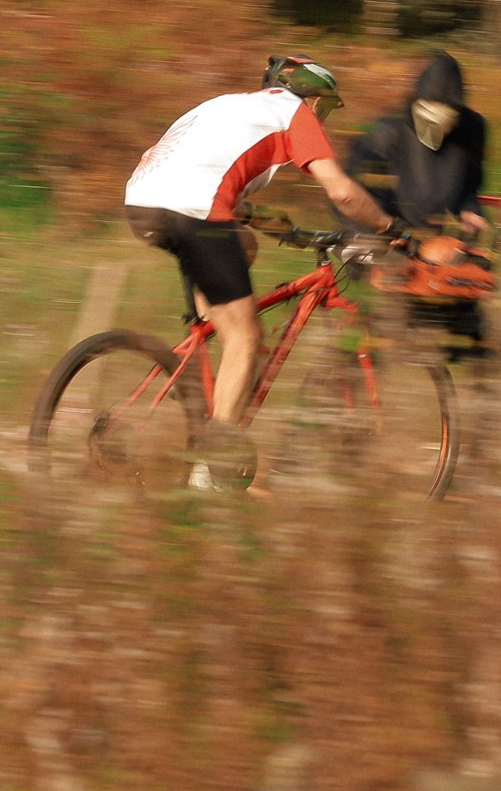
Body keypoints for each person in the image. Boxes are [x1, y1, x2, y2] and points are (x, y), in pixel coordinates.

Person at [123, 54, 399, 479]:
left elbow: (214, 182)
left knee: (242, 245)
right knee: (246, 337)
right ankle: (212, 471)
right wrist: (390, 227)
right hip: (193, 212)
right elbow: (342, 193)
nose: (321, 118)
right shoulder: (293, 112)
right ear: (309, 98)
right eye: (323, 107)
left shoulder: (233, 105)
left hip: (143, 206)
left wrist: (285, 229)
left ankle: (203, 329)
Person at [344, 49, 492, 361]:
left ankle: (479, 392)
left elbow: (471, 181)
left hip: (434, 244)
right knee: (381, 331)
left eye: (446, 115)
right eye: (428, 112)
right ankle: (345, 382)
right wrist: (380, 242)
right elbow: (351, 194)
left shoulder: (473, 129)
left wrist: (470, 209)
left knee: (470, 324)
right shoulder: (385, 133)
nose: (436, 122)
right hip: (380, 237)